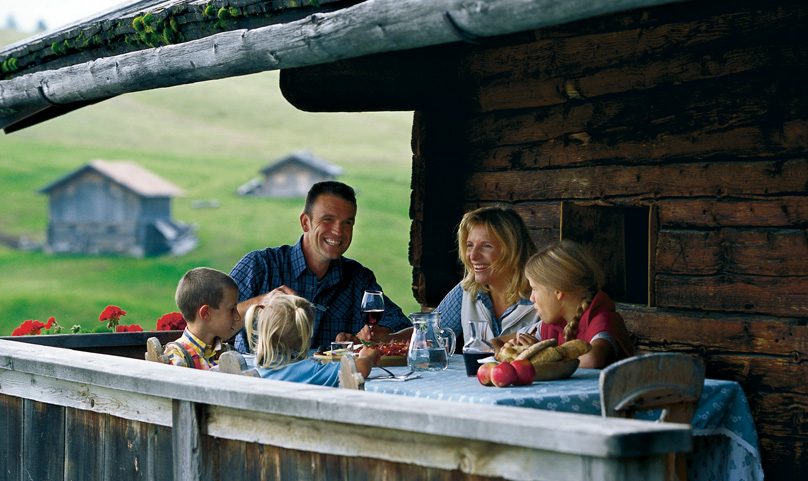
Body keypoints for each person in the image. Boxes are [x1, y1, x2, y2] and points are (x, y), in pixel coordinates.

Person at [229, 181, 411, 353]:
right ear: (305, 223)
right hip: (260, 383)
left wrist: (377, 337)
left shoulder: (358, 279)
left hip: (330, 385)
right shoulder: (260, 265)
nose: (338, 232)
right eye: (328, 219)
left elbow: (406, 329)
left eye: (347, 222)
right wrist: (263, 301)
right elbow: (211, 323)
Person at [366, 206, 538, 348]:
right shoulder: (467, 290)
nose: (473, 256)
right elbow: (430, 333)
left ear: (513, 250)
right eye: (470, 245)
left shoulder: (540, 295)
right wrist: (387, 338)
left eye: (486, 246)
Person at [495, 240, 634, 369]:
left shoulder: (602, 319)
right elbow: (495, 342)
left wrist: (542, 356)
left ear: (557, 292)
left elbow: (593, 359)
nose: (531, 298)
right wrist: (508, 350)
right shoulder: (554, 324)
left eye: (535, 289)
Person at [243, 293, 379, 385]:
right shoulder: (308, 371)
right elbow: (358, 370)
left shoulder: (260, 365)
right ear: (307, 334)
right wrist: (366, 357)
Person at [164, 267, 242, 370]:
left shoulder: (227, 352)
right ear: (206, 313)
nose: (238, 316)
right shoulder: (178, 356)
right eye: (232, 309)